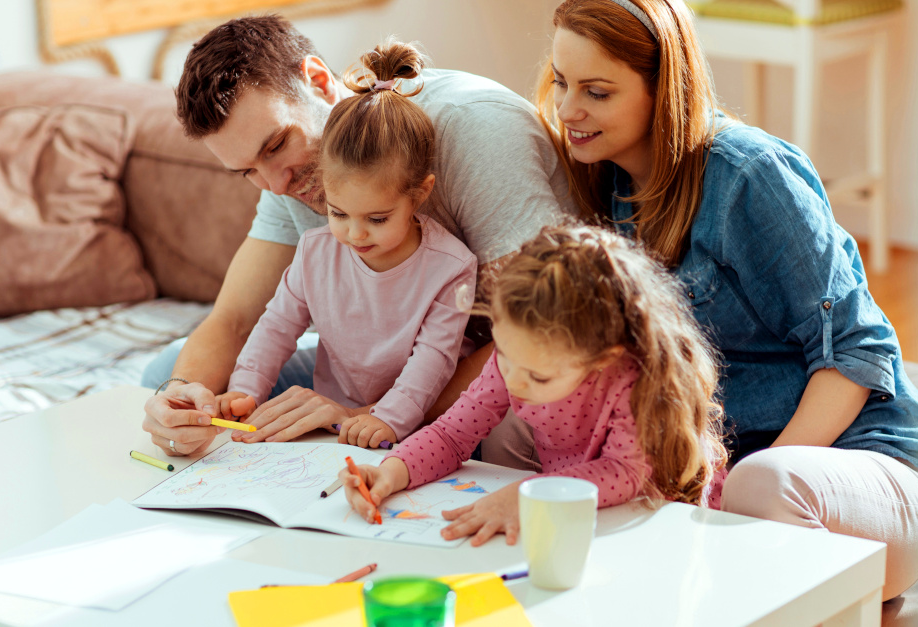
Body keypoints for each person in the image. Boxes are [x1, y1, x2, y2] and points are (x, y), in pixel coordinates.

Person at [535, 0, 918, 599]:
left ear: (662, 88)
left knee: (763, 484)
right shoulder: (609, 183)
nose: (567, 110)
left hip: (860, 466)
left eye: (597, 91)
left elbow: (859, 350)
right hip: (731, 480)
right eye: (562, 82)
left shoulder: (749, 176)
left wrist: (730, 500)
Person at [141, 15, 573, 461]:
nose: (274, 184)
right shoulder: (291, 177)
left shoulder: (473, 127)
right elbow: (232, 319)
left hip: (509, 362)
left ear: (319, 81)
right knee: (165, 372)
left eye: (275, 147)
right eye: (247, 170)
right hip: (387, 373)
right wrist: (179, 399)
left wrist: (361, 417)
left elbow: (544, 331)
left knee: (514, 420)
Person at [342, 225, 728, 546]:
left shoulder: (634, 379)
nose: (512, 379)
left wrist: (529, 495)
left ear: (602, 359)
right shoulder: (518, 357)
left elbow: (625, 472)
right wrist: (393, 470)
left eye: (539, 376)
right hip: (572, 518)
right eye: (504, 355)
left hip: (655, 527)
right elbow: (451, 434)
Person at [215, 41, 476, 449]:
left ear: (420, 194)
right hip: (334, 421)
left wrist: (388, 418)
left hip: (422, 421)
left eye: (377, 219)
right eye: (338, 214)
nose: (355, 235)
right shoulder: (315, 251)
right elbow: (277, 326)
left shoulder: (451, 266)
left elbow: (434, 360)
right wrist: (245, 389)